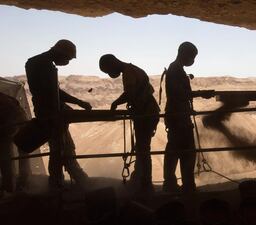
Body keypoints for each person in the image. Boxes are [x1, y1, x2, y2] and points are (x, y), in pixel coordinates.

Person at [25, 39, 91, 188]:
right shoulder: (44, 65)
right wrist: (79, 102)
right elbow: (52, 92)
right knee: (61, 150)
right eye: (67, 58)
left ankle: (60, 183)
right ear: (60, 53)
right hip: (51, 114)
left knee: (60, 149)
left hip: (47, 112)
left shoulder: (37, 62)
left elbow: (50, 93)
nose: (67, 62)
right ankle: (68, 184)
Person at [99, 54, 160, 195]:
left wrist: (115, 103)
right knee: (142, 148)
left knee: (143, 149)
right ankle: (140, 178)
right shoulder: (132, 69)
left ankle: (146, 184)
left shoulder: (128, 73)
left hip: (145, 114)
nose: (109, 74)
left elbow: (130, 93)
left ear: (113, 63)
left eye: (108, 70)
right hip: (148, 112)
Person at [163, 42, 212, 193]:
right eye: (192, 57)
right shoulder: (175, 70)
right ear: (184, 53)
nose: (193, 60)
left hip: (178, 116)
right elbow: (180, 94)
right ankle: (185, 185)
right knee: (185, 152)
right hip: (179, 118)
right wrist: (200, 93)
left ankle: (174, 183)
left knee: (176, 150)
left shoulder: (176, 69)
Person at [0, 92, 31, 197]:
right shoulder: (5, 97)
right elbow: (15, 103)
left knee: (5, 155)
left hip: (9, 122)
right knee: (23, 152)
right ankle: (23, 183)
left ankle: (9, 187)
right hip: (20, 118)